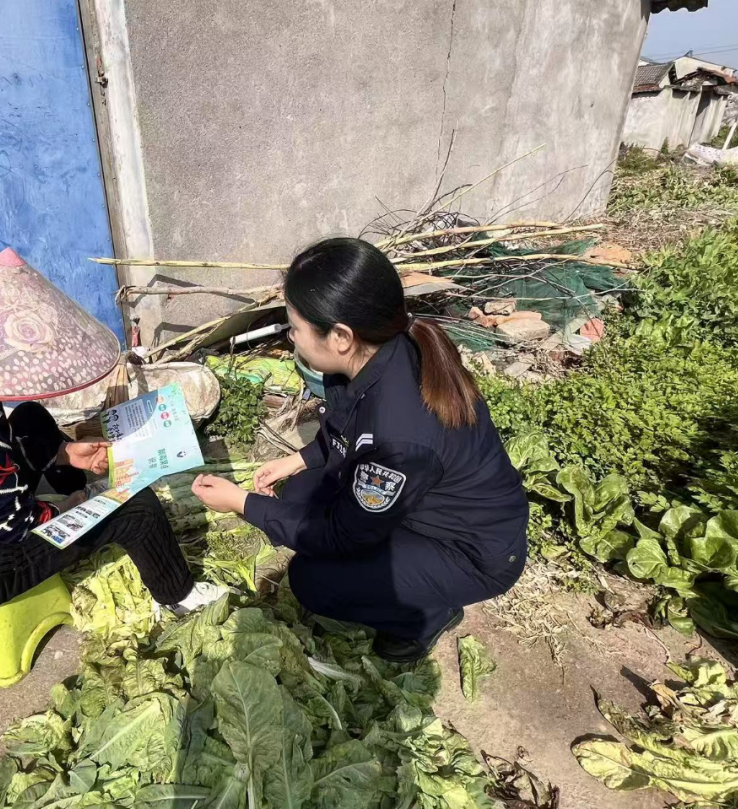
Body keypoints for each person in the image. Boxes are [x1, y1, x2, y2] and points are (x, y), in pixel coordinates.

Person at [192, 237, 528, 663]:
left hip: (468, 552)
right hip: (425, 508)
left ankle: (426, 617)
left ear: (340, 336)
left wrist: (241, 503)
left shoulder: (400, 436)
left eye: (294, 328)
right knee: (300, 492)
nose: (291, 338)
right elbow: (347, 429)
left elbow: (340, 535)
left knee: (313, 580)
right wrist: (297, 460)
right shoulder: (375, 354)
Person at [0, 247, 222, 615]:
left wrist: (65, 453)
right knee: (137, 508)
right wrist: (75, 506)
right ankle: (179, 596)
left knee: (29, 417)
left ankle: (71, 483)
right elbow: (11, 528)